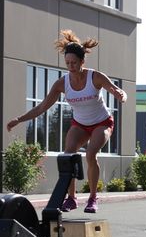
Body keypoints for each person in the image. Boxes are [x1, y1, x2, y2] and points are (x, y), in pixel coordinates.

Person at [7, 29, 127, 213]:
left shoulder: (95, 77)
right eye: (68, 63)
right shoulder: (62, 84)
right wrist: (19, 119)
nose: (71, 66)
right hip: (79, 125)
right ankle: (71, 198)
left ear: (82, 62)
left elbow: (116, 90)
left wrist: (122, 95)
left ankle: (93, 198)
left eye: (74, 63)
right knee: (67, 157)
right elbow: (41, 108)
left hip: (102, 122)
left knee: (90, 154)